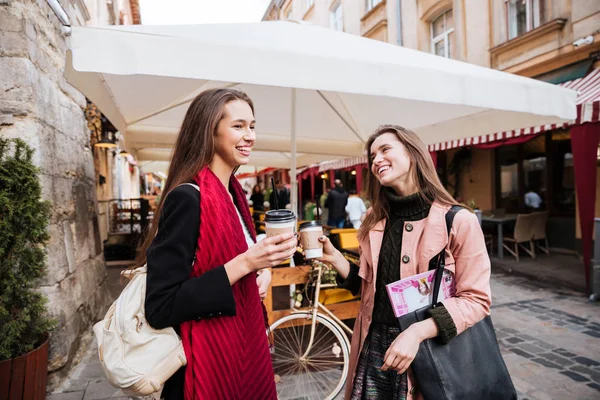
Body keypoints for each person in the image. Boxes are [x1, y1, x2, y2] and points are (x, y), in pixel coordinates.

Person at [141, 89, 296, 400]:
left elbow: (225, 271)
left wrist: (259, 273)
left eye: (252, 126)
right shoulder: (187, 198)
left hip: (243, 353)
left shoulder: (235, 197)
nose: (250, 135)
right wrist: (246, 264)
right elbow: (160, 306)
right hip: (204, 369)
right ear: (209, 131)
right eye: (238, 126)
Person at [317, 125, 491, 400]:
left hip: (429, 351)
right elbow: (371, 289)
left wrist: (417, 332)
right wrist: (334, 258)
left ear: (413, 154)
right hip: (373, 349)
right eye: (372, 156)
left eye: (385, 149)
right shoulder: (374, 220)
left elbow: (476, 300)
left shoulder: (458, 221)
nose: (375, 160)